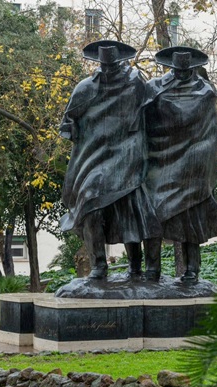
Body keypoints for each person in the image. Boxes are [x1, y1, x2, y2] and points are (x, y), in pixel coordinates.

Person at [59, 40, 161, 280]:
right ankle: (98, 265)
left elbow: (153, 114)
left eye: (112, 65)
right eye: (104, 65)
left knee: (131, 210)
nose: (108, 69)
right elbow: (68, 121)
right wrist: (73, 127)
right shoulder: (85, 87)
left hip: (129, 154)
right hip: (96, 156)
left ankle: (136, 266)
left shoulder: (135, 82)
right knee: (89, 203)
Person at [143, 47, 217, 284]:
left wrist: (202, 162)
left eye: (186, 70)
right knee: (153, 211)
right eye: (178, 70)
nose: (182, 74)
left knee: (191, 216)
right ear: (172, 67)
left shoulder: (205, 92)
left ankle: (192, 269)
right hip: (161, 158)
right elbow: (141, 122)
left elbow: (211, 132)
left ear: (193, 68)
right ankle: (152, 269)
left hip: (192, 162)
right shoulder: (155, 88)